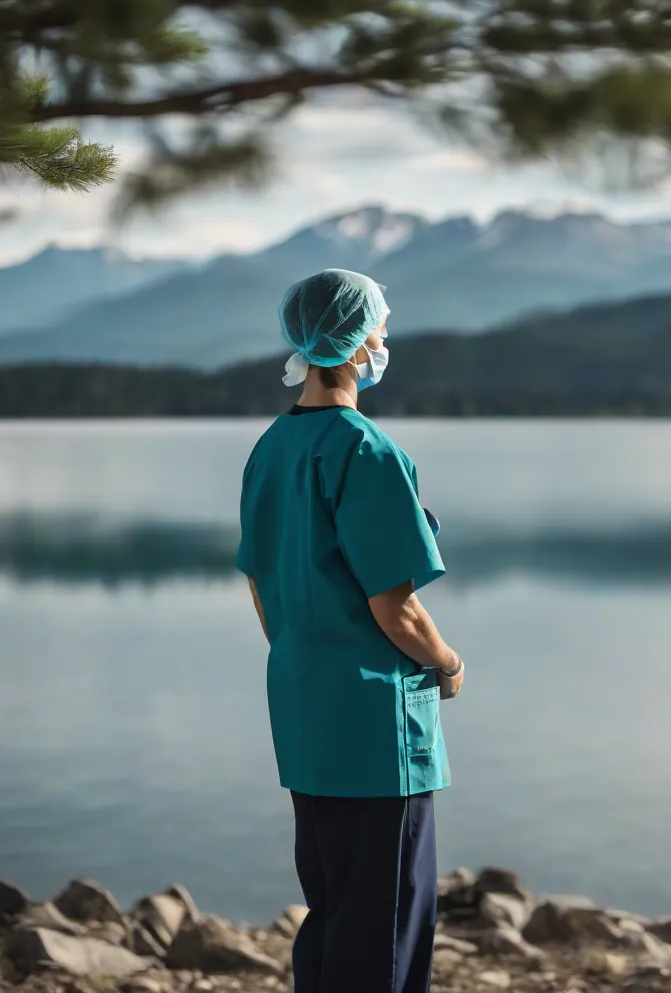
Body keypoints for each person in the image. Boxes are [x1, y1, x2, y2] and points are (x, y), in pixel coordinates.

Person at [235, 267, 464, 993]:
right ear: (359, 343)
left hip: (307, 715)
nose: (384, 342)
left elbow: (262, 587)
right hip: (375, 732)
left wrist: (312, 658)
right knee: (387, 926)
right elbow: (394, 607)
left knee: (333, 912)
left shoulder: (271, 449)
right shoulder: (367, 451)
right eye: (381, 331)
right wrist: (449, 661)